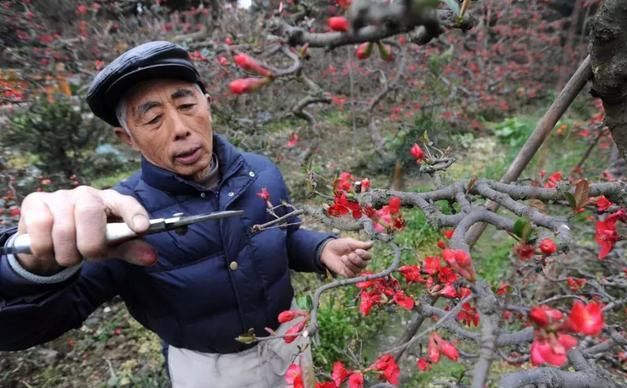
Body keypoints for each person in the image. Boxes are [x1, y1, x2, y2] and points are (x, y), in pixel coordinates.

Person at [0, 41, 373, 387]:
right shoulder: (121, 220)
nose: (180, 129)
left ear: (208, 103)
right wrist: (33, 269)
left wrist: (319, 247)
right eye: (152, 118)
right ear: (126, 138)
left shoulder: (261, 172)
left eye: (186, 105)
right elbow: (29, 324)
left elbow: (282, 232)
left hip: (288, 341)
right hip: (207, 370)